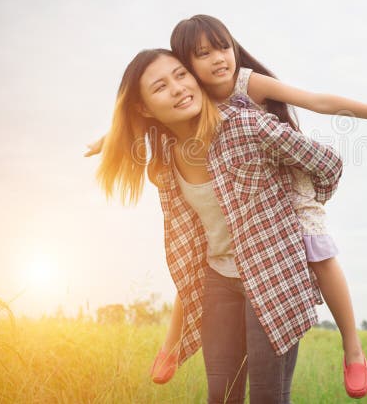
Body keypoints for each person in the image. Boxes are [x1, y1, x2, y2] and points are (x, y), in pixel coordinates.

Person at [95, 49, 343, 403]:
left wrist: (299, 214)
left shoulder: (245, 125)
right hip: (219, 280)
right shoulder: (164, 163)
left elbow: (327, 164)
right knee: (221, 396)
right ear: (145, 108)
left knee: (266, 397)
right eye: (161, 86)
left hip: (272, 275)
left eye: (181, 75)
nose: (179, 88)